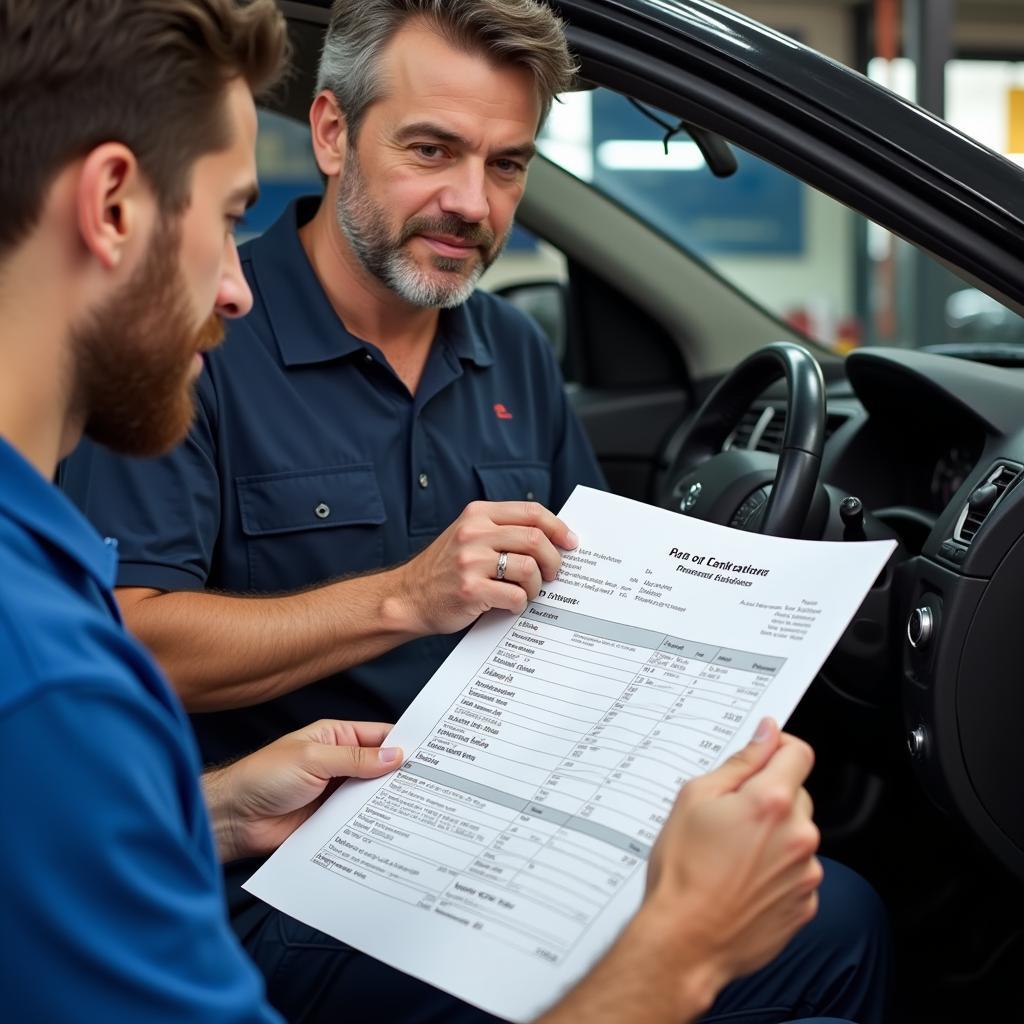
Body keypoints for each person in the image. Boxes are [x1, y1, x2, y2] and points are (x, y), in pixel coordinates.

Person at [54, 1, 889, 1022]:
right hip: (277, 869)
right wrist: (403, 598)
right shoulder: (198, 333)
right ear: (329, 132)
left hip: (512, 826)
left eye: (506, 165)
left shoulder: (512, 349)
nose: (471, 202)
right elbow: (125, 636)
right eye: (431, 149)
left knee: (832, 910)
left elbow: (589, 597)